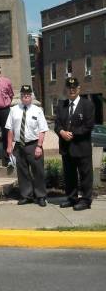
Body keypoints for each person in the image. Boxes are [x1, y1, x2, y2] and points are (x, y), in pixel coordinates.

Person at [55, 77, 95, 211]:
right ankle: (72, 198)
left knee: (85, 175)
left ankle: (85, 200)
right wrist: (61, 132)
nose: (71, 90)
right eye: (69, 88)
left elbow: (88, 126)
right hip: (67, 148)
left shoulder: (87, 104)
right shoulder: (61, 105)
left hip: (81, 147)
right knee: (69, 175)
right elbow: (57, 124)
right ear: (66, 90)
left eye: (74, 88)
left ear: (79, 89)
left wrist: (71, 133)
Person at [6, 85, 48, 207]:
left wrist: (39, 146)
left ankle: (40, 196)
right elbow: (10, 129)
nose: (26, 96)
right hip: (19, 145)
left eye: (28, 94)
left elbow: (42, 130)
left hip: (34, 144)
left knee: (38, 172)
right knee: (22, 172)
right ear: (21, 96)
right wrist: (9, 146)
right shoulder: (14, 110)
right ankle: (26, 195)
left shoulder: (37, 110)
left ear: (31, 96)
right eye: (24, 95)